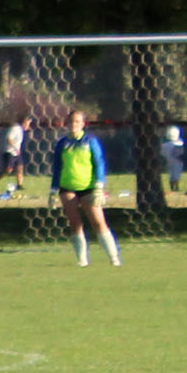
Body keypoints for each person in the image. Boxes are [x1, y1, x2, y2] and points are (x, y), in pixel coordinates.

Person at [49, 110, 121, 267]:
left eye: (77, 122)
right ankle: (82, 259)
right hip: (67, 187)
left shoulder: (90, 141)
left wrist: (99, 186)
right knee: (74, 223)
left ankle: (113, 257)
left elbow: (99, 163)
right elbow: (57, 167)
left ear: (83, 124)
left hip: (89, 187)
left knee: (98, 222)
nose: (73, 125)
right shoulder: (62, 143)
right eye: (71, 122)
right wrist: (53, 190)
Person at [0, 116, 30, 197]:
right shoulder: (15, 128)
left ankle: (20, 186)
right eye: (28, 124)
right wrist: (15, 147)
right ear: (24, 122)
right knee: (8, 170)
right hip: (10, 152)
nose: (28, 126)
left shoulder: (21, 130)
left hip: (17, 153)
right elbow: (9, 138)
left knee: (20, 168)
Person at [161, 126, 185, 193]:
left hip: (169, 160)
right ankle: (176, 187)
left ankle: (172, 188)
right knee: (177, 173)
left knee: (171, 174)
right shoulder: (180, 142)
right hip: (178, 161)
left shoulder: (164, 145)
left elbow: (162, 153)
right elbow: (181, 153)